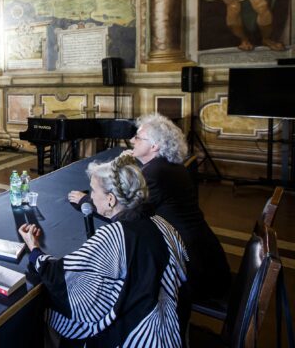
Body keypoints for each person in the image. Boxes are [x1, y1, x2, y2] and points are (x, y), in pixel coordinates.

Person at [19, 153, 189, 346]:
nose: (90, 196)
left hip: (138, 337)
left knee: (50, 308)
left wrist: (34, 248)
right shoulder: (163, 224)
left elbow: (62, 277)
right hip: (172, 327)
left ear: (110, 199)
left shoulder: (114, 235)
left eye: (92, 190)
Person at [70, 113, 231, 302]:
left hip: (193, 268)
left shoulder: (154, 174)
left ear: (154, 146)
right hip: (204, 253)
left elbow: (126, 214)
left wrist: (85, 201)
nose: (132, 140)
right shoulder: (169, 166)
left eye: (138, 137)